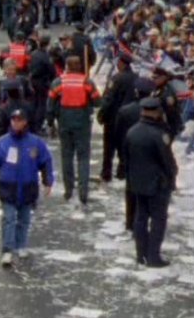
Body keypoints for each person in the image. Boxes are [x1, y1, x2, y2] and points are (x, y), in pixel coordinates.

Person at [0, 109, 54, 266]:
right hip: (8, 188)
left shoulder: (35, 143)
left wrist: (47, 181)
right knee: (8, 219)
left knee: (24, 218)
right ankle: (7, 250)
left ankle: (21, 245)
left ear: (25, 122)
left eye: (19, 120)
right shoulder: (3, 143)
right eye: (13, 120)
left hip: (28, 188)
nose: (16, 123)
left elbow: (45, 162)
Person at [124, 97, 178, 268]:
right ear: (155, 112)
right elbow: (167, 161)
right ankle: (153, 256)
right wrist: (172, 177)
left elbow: (126, 157)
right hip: (157, 184)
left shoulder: (132, 131)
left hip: (137, 183)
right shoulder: (158, 135)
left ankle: (141, 254)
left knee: (140, 217)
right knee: (158, 219)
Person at [46, 56, 101, 205]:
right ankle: (83, 191)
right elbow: (97, 101)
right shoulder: (87, 82)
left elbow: (50, 103)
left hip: (64, 121)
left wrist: (50, 122)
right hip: (82, 122)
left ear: (67, 66)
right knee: (83, 157)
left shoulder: (58, 82)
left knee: (67, 156)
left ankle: (68, 189)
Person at [115, 77, 157, 231]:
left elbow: (118, 135)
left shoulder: (125, 111)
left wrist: (121, 156)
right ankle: (145, 219)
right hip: (151, 156)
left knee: (131, 189)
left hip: (130, 154)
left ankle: (130, 220)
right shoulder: (158, 112)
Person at [96, 52, 137, 181]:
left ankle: (106, 173)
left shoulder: (116, 79)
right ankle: (122, 172)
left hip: (114, 117)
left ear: (122, 63)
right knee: (124, 147)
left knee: (109, 148)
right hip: (130, 118)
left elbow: (109, 98)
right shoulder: (136, 78)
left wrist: (102, 113)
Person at [0, 79, 34, 148]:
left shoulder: (4, 108)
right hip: (26, 142)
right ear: (19, 91)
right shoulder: (28, 106)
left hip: (9, 142)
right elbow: (33, 125)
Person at [28, 35, 56, 135]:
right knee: (42, 105)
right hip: (42, 82)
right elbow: (52, 70)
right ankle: (38, 126)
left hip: (33, 80)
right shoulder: (46, 57)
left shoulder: (33, 53)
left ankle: (32, 124)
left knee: (34, 103)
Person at [151, 66, 183, 138]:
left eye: (156, 78)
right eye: (153, 78)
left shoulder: (167, 94)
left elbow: (171, 114)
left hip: (170, 128)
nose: (153, 80)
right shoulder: (158, 88)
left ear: (163, 78)